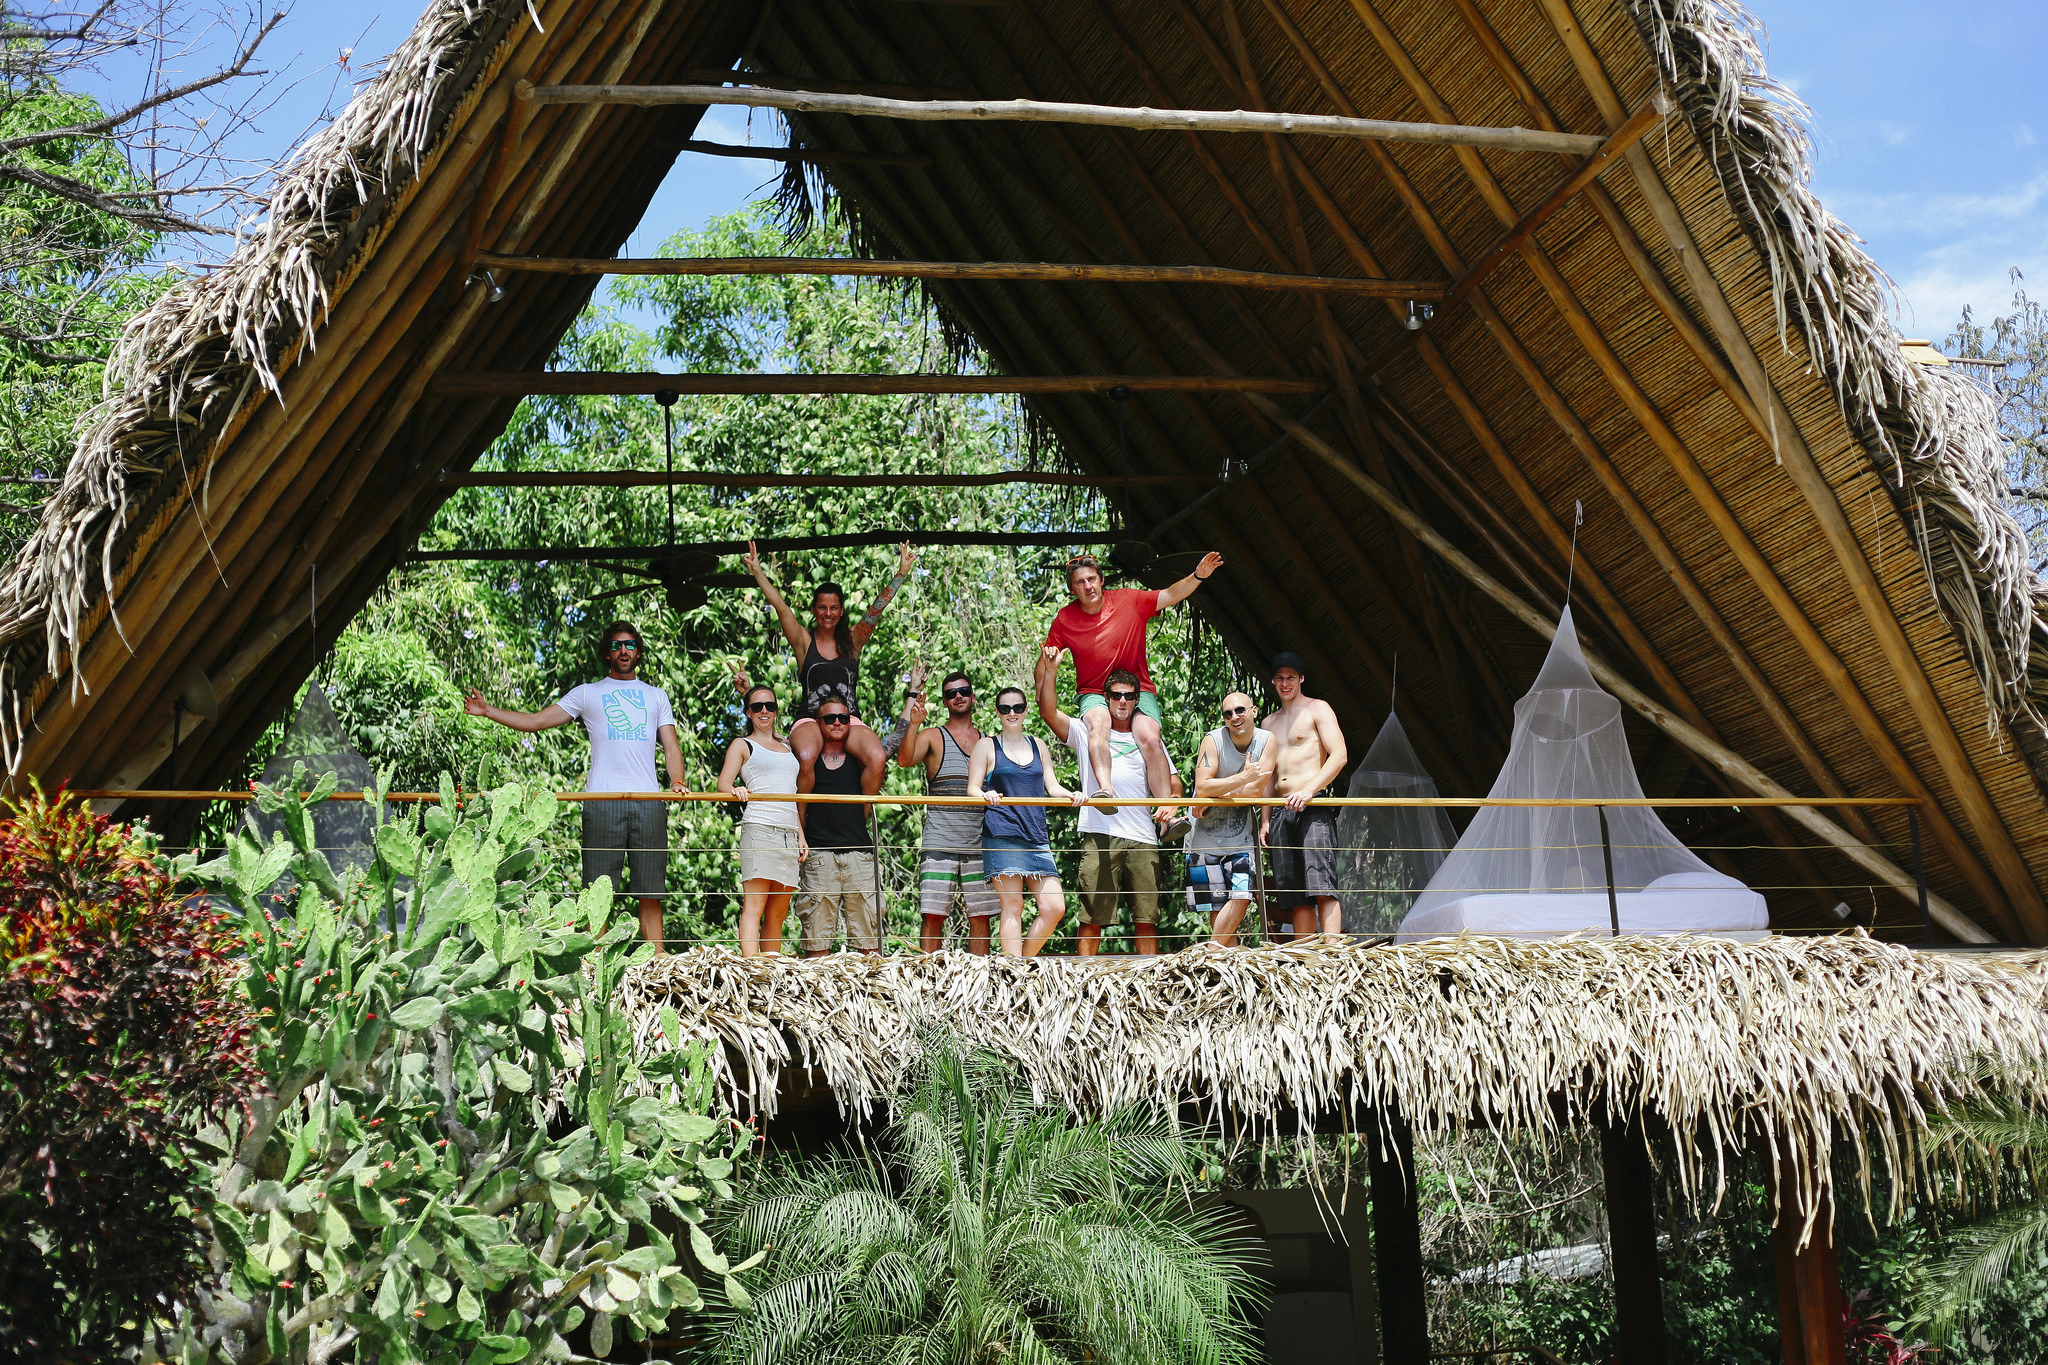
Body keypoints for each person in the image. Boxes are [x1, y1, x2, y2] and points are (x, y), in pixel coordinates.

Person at [464, 620, 683, 951]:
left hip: (649, 801)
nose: (623, 650)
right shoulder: (588, 693)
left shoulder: (657, 696)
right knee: (597, 892)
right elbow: (536, 721)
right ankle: (595, 963)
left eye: (629, 645)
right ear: (607, 653)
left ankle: (659, 961)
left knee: (650, 892)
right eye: (615, 646)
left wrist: (677, 781)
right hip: (601, 801)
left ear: (638, 652)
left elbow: (671, 746)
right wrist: (487, 710)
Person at [1041, 550, 1222, 815]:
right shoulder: (1065, 618)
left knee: (1149, 735)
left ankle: (1167, 814)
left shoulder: (1129, 599)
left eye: (1091, 578)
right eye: (1080, 582)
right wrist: (1043, 682)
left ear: (1102, 580)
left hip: (1136, 688)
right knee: (1099, 723)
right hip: (1094, 690)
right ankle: (1106, 792)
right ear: (1072, 589)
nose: (1087, 586)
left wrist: (1198, 576)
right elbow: (1045, 662)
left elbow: (1170, 594)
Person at [741, 539, 915, 789]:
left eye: (834, 608)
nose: (828, 613)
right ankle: (800, 823)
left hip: (847, 718)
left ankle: (859, 819)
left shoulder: (854, 640)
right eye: (822, 607)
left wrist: (901, 573)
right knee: (806, 756)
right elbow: (780, 607)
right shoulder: (804, 642)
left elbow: (877, 610)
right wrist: (757, 571)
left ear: (841, 611)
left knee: (877, 758)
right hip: (810, 718)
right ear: (814, 610)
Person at [1034, 655, 1179, 957]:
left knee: (1146, 917)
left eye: (1129, 696)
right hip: (1100, 832)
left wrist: (1173, 803)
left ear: (1137, 700)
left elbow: (1173, 780)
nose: (1122, 701)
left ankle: (1148, 979)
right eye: (1116, 695)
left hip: (1142, 834)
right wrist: (1050, 671)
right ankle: (1085, 979)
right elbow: (1048, 713)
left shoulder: (1150, 737)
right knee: (1092, 916)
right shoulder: (1087, 731)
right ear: (1107, 698)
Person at [966, 685, 1084, 957]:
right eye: (1005, 708)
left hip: (1036, 836)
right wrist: (987, 794)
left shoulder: (1038, 745)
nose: (1012, 713)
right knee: (1013, 905)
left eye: (1017, 707)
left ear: (1025, 710)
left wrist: (1073, 795)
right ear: (997, 712)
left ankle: (1024, 963)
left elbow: (1052, 786)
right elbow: (972, 789)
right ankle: (1013, 971)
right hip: (1003, 832)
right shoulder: (986, 746)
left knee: (1055, 907)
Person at [896, 664, 996, 954]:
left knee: (981, 915)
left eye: (964, 691)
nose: (959, 697)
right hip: (940, 840)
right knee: (933, 914)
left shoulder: (988, 741)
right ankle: (929, 979)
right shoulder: (933, 736)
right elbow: (904, 759)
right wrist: (914, 723)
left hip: (980, 842)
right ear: (945, 702)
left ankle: (980, 979)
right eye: (952, 693)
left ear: (973, 697)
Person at [1262, 653, 1349, 941]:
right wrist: (1265, 819)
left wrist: (1309, 790)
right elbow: (1269, 776)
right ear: (1274, 681)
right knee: (1293, 891)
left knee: (1321, 882)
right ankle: (1304, 957)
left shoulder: (1317, 709)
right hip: (1279, 810)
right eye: (1280, 678)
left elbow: (1339, 756)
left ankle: (1333, 951)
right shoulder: (1268, 722)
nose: (1285, 683)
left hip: (1312, 806)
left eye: (1290, 677)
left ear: (1301, 679)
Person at [716, 681, 806, 956]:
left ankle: (771, 968)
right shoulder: (742, 744)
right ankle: (751, 968)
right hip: (760, 828)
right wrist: (737, 790)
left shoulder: (787, 745)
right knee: (754, 906)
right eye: (757, 707)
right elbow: (723, 785)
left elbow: (791, 793)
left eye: (770, 706)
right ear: (748, 712)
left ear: (776, 710)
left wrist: (801, 835)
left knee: (778, 912)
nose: (764, 711)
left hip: (789, 832)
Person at [1186, 691, 1276, 948]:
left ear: (1254, 711)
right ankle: (1224, 962)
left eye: (1240, 710)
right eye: (1228, 713)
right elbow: (1203, 786)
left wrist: (1215, 792)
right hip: (1203, 836)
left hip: (1241, 839)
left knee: (1242, 896)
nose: (1235, 717)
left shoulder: (1267, 741)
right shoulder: (1212, 740)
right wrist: (1242, 778)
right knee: (1216, 905)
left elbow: (1255, 792)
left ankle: (1211, 951)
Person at [795, 699, 883, 956]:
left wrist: (912, 694)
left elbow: (889, 749)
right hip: (819, 856)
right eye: (830, 718)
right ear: (818, 723)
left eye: (843, 718)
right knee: (816, 944)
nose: (837, 722)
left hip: (859, 854)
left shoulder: (861, 761)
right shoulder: (804, 762)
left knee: (869, 944)